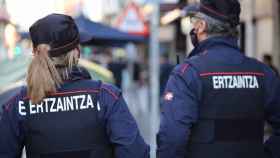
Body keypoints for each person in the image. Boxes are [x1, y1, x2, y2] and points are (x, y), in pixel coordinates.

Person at [0, 13, 149, 158]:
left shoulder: (19, 104)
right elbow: (135, 153)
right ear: (77, 52)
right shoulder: (105, 96)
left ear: (35, 53)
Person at [157, 0, 280, 158]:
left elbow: (172, 139)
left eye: (193, 22)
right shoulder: (263, 73)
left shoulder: (187, 73)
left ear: (201, 26)